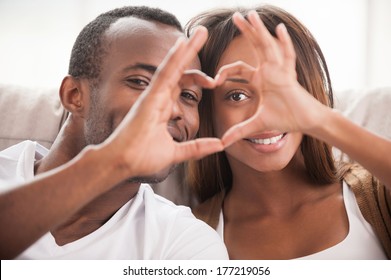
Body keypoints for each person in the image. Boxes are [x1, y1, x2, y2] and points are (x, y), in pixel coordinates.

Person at [0, 6, 229, 260]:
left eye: (188, 95)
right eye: (141, 82)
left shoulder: (185, 242)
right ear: (74, 96)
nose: (172, 108)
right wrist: (110, 163)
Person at [185, 5, 391, 259]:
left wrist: (319, 119)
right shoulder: (188, 235)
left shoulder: (376, 196)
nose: (265, 112)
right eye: (236, 95)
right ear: (206, 112)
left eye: (283, 90)